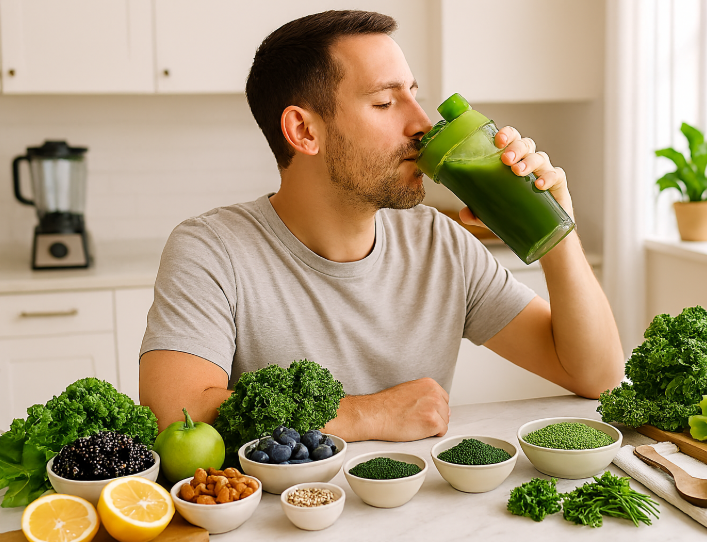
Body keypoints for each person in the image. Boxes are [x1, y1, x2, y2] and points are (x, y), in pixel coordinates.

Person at [139, 10, 624, 441]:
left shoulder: (439, 243)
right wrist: (366, 415)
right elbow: (175, 415)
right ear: (304, 131)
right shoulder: (213, 249)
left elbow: (594, 375)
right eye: (385, 103)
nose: (421, 124)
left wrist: (556, 228)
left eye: (414, 96)